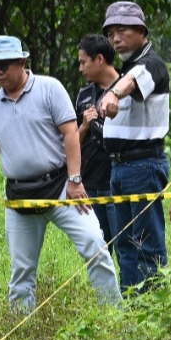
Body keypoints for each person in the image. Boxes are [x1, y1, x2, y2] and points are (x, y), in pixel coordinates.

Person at [0, 35, 121, 310]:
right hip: (20, 196)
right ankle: (22, 328)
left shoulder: (50, 89)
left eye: (3, 65)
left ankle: (112, 313)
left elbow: (71, 135)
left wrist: (75, 180)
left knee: (95, 246)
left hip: (61, 186)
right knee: (21, 271)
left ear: (22, 62)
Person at [96, 1, 170, 294]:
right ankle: (133, 308)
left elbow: (132, 81)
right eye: (111, 33)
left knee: (145, 244)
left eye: (122, 30)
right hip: (120, 167)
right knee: (125, 244)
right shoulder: (129, 66)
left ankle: (153, 309)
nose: (115, 38)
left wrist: (113, 93)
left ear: (141, 31)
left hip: (143, 165)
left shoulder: (151, 64)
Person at [74, 34, 120, 253]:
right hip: (90, 183)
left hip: (118, 182)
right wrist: (84, 125)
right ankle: (104, 289)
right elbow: (72, 139)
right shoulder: (84, 95)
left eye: (83, 62)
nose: (81, 69)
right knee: (98, 248)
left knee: (124, 245)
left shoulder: (128, 88)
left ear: (99, 59)